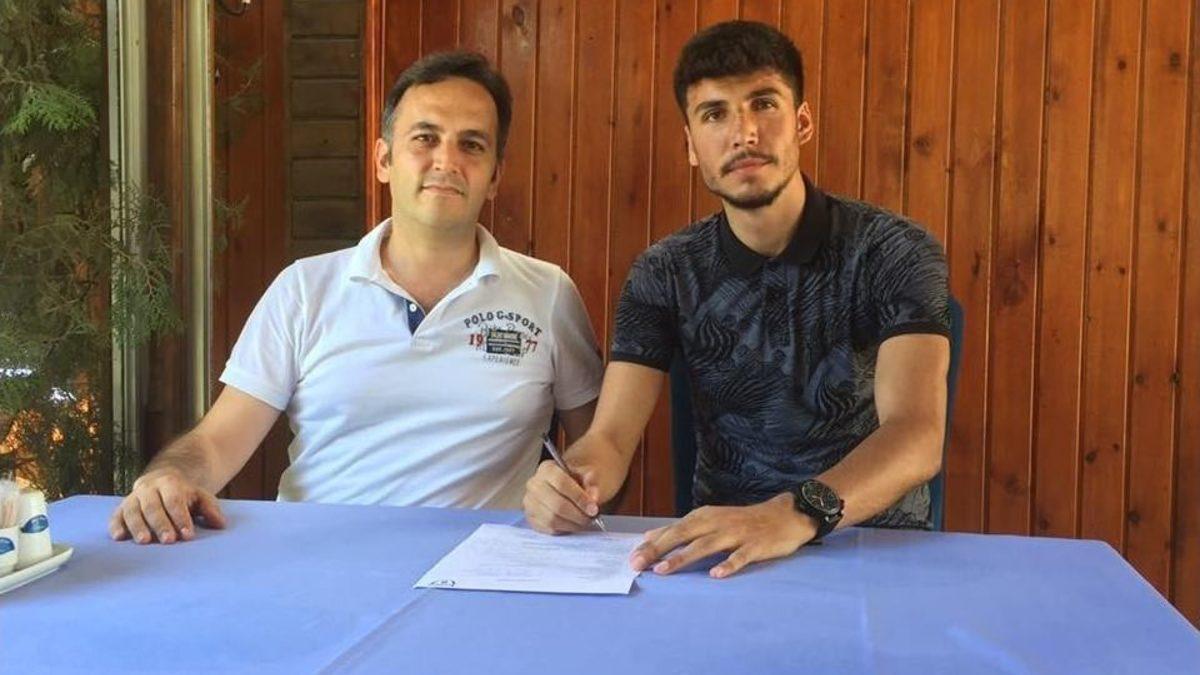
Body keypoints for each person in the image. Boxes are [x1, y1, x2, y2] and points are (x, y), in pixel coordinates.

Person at [110, 51, 603, 545]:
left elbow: (598, 458)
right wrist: (171, 477)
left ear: (494, 176)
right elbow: (218, 441)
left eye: (471, 145)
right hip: (314, 562)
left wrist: (570, 495)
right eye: (425, 138)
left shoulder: (549, 295)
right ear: (384, 160)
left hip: (484, 569)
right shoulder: (304, 289)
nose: (446, 162)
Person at [523, 21, 950, 579]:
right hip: (722, 559)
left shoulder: (895, 251)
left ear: (802, 122)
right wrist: (571, 482)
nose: (743, 133)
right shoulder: (664, 272)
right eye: (714, 114)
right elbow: (608, 439)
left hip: (874, 549)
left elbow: (916, 433)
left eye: (763, 104)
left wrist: (794, 514)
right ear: (691, 146)